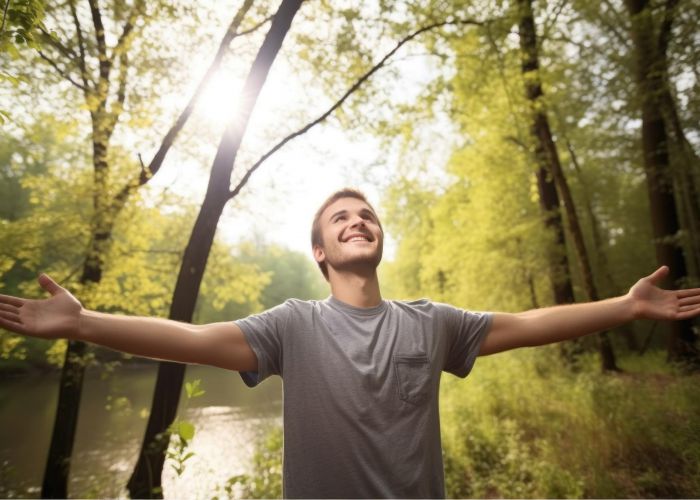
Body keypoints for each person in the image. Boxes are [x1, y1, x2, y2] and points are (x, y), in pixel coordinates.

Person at [1, 188, 699, 498]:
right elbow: (190, 335)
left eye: (366, 214)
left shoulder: (431, 322)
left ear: (378, 237)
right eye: (340, 217)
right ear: (320, 251)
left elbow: (526, 324)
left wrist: (626, 306)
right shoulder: (293, 326)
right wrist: (83, 323)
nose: (358, 220)